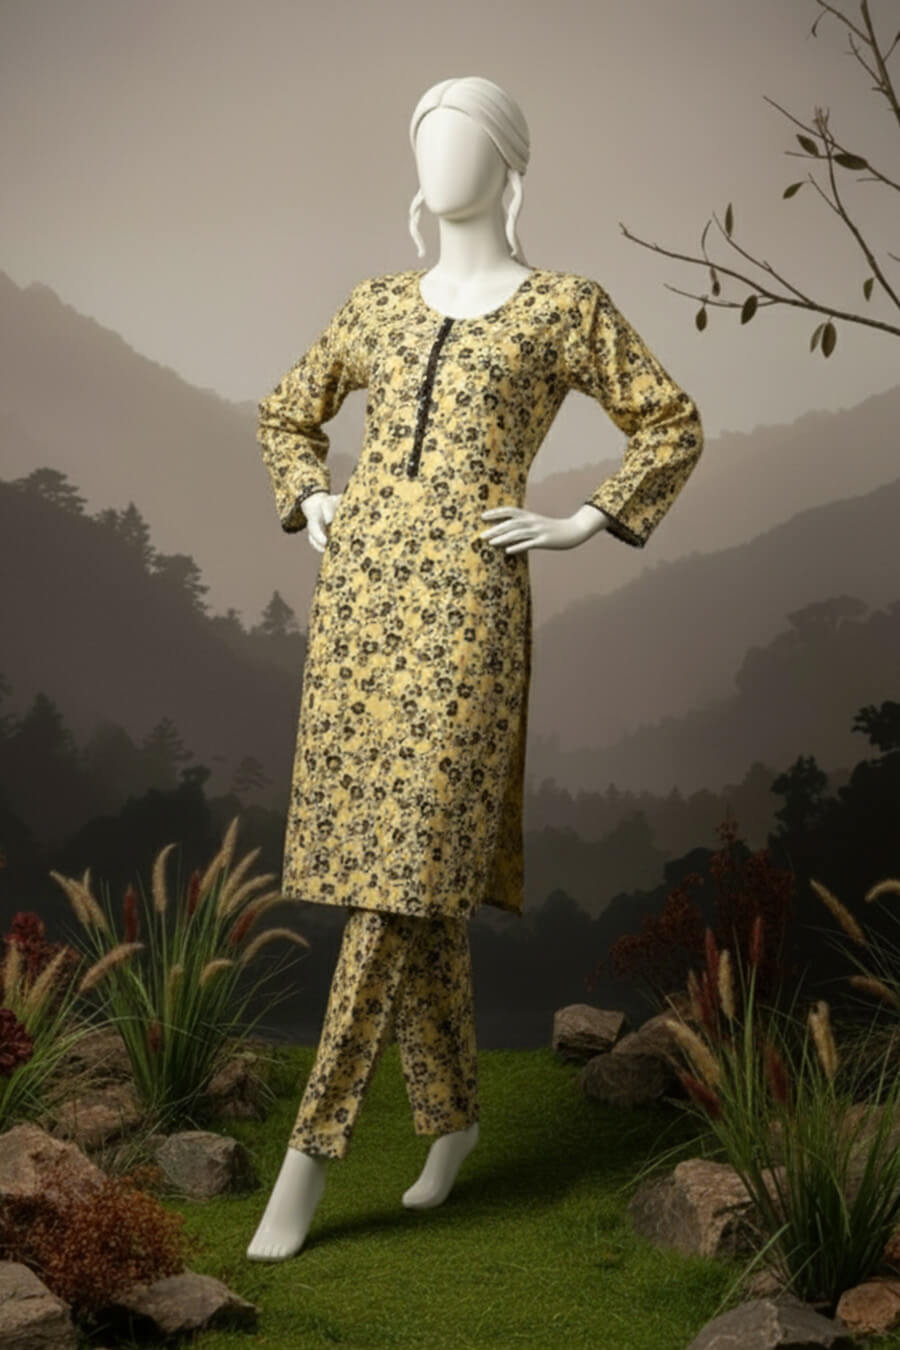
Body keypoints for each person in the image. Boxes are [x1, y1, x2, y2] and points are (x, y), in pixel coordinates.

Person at [247, 75, 703, 1262]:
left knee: (404, 871)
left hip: (467, 609)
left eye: (461, 138)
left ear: (509, 164)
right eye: (425, 138)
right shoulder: (375, 304)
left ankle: (305, 1163)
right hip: (360, 608)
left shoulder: (564, 306)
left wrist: (583, 521)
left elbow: (669, 421)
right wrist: (310, 498)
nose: (438, 159)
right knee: (409, 879)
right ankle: (451, 1118)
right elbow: (286, 414)